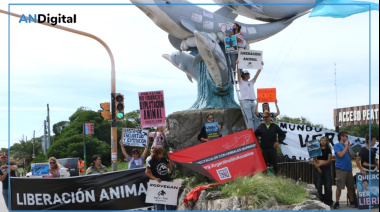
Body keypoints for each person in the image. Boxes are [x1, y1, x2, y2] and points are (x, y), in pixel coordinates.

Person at [254, 110, 286, 175]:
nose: (264, 118)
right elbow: (254, 135)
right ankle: (265, 180)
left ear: (269, 117)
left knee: (275, 165)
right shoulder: (261, 126)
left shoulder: (274, 126)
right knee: (264, 166)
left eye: (266, 117)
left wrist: (278, 142)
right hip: (264, 149)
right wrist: (249, 131)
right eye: (263, 117)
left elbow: (283, 135)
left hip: (272, 148)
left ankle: (277, 179)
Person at [145, 146, 174, 210]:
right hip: (158, 185)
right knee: (159, 205)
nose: (162, 154)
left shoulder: (163, 159)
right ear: (156, 154)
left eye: (162, 153)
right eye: (160, 153)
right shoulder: (151, 161)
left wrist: (170, 158)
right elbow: (147, 172)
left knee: (169, 203)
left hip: (167, 183)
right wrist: (155, 178)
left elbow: (170, 166)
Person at [333, 131, 356, 209]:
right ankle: (337, 202)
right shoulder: (337, 145)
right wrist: (345, 147)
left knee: (350, 187)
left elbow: (353, 155)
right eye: (345, 136)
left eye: (347, 136)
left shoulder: (348, 146)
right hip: (341, 169)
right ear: (341, 137)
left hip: (349, 169)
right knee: (339, 187)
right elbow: (340, 155)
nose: (346, 137)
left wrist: (348, 147)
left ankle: (352, 202)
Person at [237, 60, 263, 130]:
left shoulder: (251, 82)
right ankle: (252, 134)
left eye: (248, 74)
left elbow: (257, 75)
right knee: (249, 118)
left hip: (253, 101)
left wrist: (260, 66)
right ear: (243, 75)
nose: (247, 75)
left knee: (257, 117)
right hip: (245, 101)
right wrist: (238, 65)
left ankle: (256, 133)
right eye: (246, 74)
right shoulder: (241, 82)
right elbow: (238, 74)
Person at [312, 136, 333, 206]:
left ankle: (328, 201)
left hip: (326, 167)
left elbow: (329, 160)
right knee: (318, 185)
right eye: (322, 140)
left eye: (324, 140)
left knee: (327, 185)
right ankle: (319, 200)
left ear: (326, 142)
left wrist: (320, 164)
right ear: (319, 141)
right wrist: (318, 167)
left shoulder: (328, 149)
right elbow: (314, 159)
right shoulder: (317, 149)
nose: (323, 141)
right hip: (318, 168)